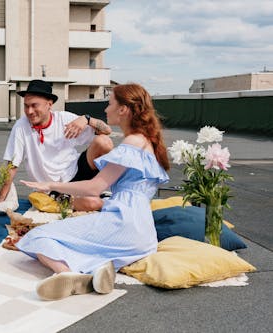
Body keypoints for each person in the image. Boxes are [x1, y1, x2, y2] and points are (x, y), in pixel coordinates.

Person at [17, 83, 170, 301]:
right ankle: (96, 271)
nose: (106, 110)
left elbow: (95, 187)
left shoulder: (133, 141)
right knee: (81, 243)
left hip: (123, 225)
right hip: (144, 237)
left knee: (36, 236)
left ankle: (69, 275)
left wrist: (50, 186)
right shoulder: (147, 142)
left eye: (110, 104)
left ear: (123, 109)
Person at [0, 79, 114, 211]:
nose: (29, 111)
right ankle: (90, 198)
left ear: (49, 104)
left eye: (34, 105)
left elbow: (107, 131)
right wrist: (0, 200)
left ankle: (96, 190)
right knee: (92, 204)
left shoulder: (64, 119)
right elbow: (12, 165)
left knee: (103, 142)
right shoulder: (21, 126)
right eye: (26, 106)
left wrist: (86, 119)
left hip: (76, 173)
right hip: (51, 190)